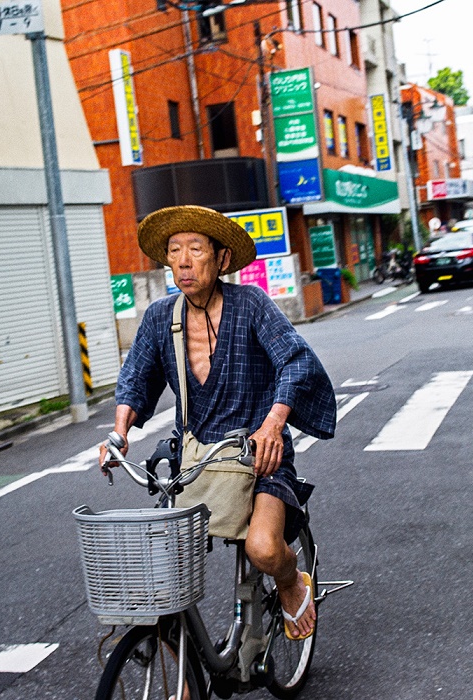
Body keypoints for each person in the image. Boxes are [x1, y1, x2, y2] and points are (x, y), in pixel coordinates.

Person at [99, 205, 337, 641]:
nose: (184, 261)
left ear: (222, 259)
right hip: (196, 463)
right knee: (161, 578)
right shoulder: (159, 318)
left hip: (258, 455)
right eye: (174, 251)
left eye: (195, 249)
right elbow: (136, 376)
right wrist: (118, 433)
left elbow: (296, 360)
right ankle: (187, 681)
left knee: (264, 548)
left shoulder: (251, 305)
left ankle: (290, 582)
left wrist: (273, 424)